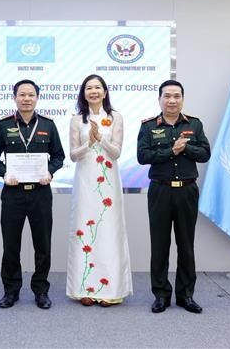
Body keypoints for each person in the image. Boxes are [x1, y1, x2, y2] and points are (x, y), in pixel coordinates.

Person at [0, 79, 65, 309]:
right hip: (13, 194)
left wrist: (50, 171)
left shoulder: (48, 125)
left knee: (43, 245)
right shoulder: (3, 125)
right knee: (11, 245)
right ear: (15, 97)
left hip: (40, 193)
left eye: (31, 95)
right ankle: (11, 291)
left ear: (37, 98)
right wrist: (4, 173)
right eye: (22, 95)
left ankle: (41, 290)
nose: (26, 99)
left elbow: (59, 156)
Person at [137, 79, 210, 314]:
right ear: (159, 99)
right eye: (167, 96)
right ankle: (160, 295)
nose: (172, 100)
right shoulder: (148, 126)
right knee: (160, 245)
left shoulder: (194, 125)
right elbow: (143, 156)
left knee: (186, 245)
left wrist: (185, 148)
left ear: (182, 99)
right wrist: (172, 151)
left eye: (176, 96)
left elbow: (205, 153)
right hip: (160, 190)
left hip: (187, 191)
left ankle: (185, 295)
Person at [66, 74, 132, 307]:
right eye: (88, 88)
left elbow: (116, 153)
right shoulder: (76, 120)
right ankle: (84, 287)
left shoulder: (116, 117)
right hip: (85, 180)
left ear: (105, 92)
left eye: (97, 87)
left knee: (108, 231)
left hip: (108, 182)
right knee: (85, 229)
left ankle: (110, 289)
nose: (93, 91)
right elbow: (73, 155)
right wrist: (89, 143)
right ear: (83, 93)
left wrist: (100, 138)